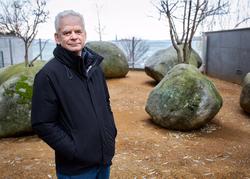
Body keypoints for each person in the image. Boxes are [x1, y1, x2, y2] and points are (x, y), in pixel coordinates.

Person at [31, 10, 117, 179]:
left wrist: (111, 133)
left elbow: (105, 104)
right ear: (57, 38)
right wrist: (75, 150)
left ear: (84, 34)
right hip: (75, 169)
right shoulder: (48, 75)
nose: (74, 37)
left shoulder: (95, 69)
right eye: (67, 33)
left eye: (78, 31)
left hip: (103, 160)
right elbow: (42, 123)